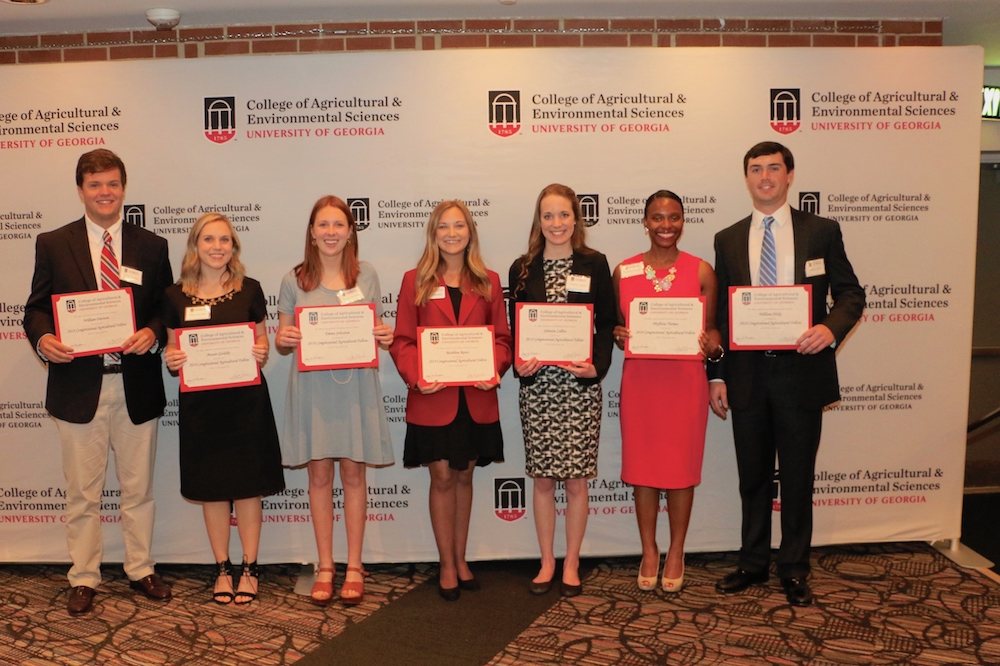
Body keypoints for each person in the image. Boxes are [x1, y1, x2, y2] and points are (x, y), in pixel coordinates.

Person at [710, 142, 864, 607]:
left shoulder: (821, 231)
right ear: (747, 178)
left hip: (801, 373)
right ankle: (752, 563)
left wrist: (828, 328)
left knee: (798, 477)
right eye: (755, 169)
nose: (765, 177)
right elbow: (720, 312)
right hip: (747, 375)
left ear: (790, 175)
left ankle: (795, 568)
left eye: (773, 168)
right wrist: (717, 375)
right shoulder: (728, 238)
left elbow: (851, 294)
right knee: (752, 476)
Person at [24, 149, 174, 616]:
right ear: (81, 190)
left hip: (136, 384)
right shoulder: (53, 242)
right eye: (95, 185)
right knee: (83, 494)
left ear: (123, 188)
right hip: (78, 386)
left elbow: (166, 309)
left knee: (138, 489)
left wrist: (153, 332)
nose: (104, 192)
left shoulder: (152, 245)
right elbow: (35, 307)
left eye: (111, 184)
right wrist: (43, 336)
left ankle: (140, 568)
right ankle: (84, 576)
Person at [389, 200, 512, 601]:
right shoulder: (415, 280)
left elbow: (503, 339)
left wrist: (493, 366)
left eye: (460, 225)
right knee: (441, 477)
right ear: (433, 233)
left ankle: (461, 559)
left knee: (465, 476)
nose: (452, 233)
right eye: (444, 226)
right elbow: (403, 340)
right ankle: (445, 563)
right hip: (433, 397)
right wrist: (416, 376)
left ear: (470, 232)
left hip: (476, 398)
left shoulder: (489, 280)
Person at [275, 196, 394, 606]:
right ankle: (326, 564)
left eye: (338, 225)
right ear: (311, 232)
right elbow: (282, 337)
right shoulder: (294, 280)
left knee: (355, 477)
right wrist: (284, 338)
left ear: (350, 231)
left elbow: (376, 327)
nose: (330, 233)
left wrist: (385, 334)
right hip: (312, 390)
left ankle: (356, 565)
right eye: (323, 225)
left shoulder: (367, 275)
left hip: (356, 386)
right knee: (319, 477)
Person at [162, 213, 285, 606]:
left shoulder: (250, 290)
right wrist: (173, 358)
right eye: (209, 240)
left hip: (246, 405)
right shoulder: (174, 296)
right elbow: (171, 347)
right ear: (195, 245)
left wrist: (261, 351)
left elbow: (262, 343)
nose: (217, 247)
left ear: (234, 246)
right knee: (213, 489)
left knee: (249, 489)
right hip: (202, 407)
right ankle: (222, 568)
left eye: (225, 240)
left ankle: (250, 567)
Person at [508, 184, 616, 597]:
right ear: (540, 220)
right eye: (548, 216)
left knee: (575, 482)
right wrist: (519, 363)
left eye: (564, 215)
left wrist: (597, 367)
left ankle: (571, 561)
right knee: (541, 481)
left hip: (578, 386)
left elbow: (606, 323)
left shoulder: (594, 263)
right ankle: (546, 561)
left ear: (576, 218)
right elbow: (517, 328)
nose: (556, 224)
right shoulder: (522, 267)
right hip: (538, 388)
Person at [612, 190, 722, 594]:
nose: (665, 225)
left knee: (679, 473)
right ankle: (648, 550)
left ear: (683, 221)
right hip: (641, 383)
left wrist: (714, 347)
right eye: (657, 217)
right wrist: (618, 334)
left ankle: (676, 550)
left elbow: (712, 330)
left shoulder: (702, 271)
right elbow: (616, 326)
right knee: (643, 472)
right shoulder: (623, 272)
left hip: (684, 382)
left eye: (673, 217)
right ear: (644, 221)